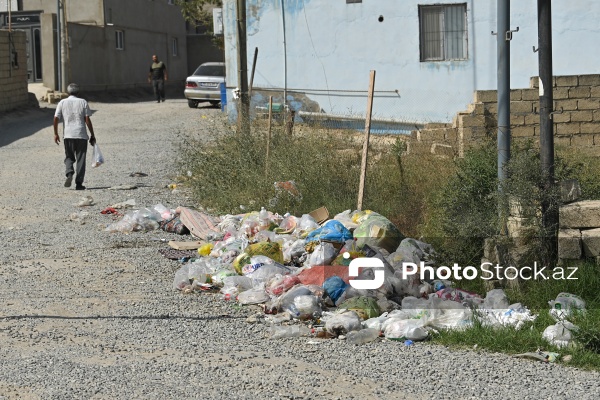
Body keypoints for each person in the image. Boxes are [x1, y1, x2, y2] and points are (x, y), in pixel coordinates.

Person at [53, 83, 96, 191]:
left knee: (69, 157)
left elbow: (56, 118)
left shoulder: (62, 102)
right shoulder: (83, 102)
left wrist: (56, 133)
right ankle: (79, 184)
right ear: (78, 92)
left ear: (68, 92)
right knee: (81, 159)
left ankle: (69, 173)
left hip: (68, 135)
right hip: (81, 135)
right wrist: (92, 135)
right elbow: (87, 120)